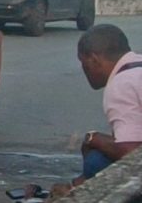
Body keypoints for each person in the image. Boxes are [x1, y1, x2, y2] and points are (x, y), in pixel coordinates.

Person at [53, 24, 142, 196]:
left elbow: (131, 153)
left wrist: (94, 139)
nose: (83, 70)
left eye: (83, 63)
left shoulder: (122, 84)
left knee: (96, 160)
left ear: (94, 60)